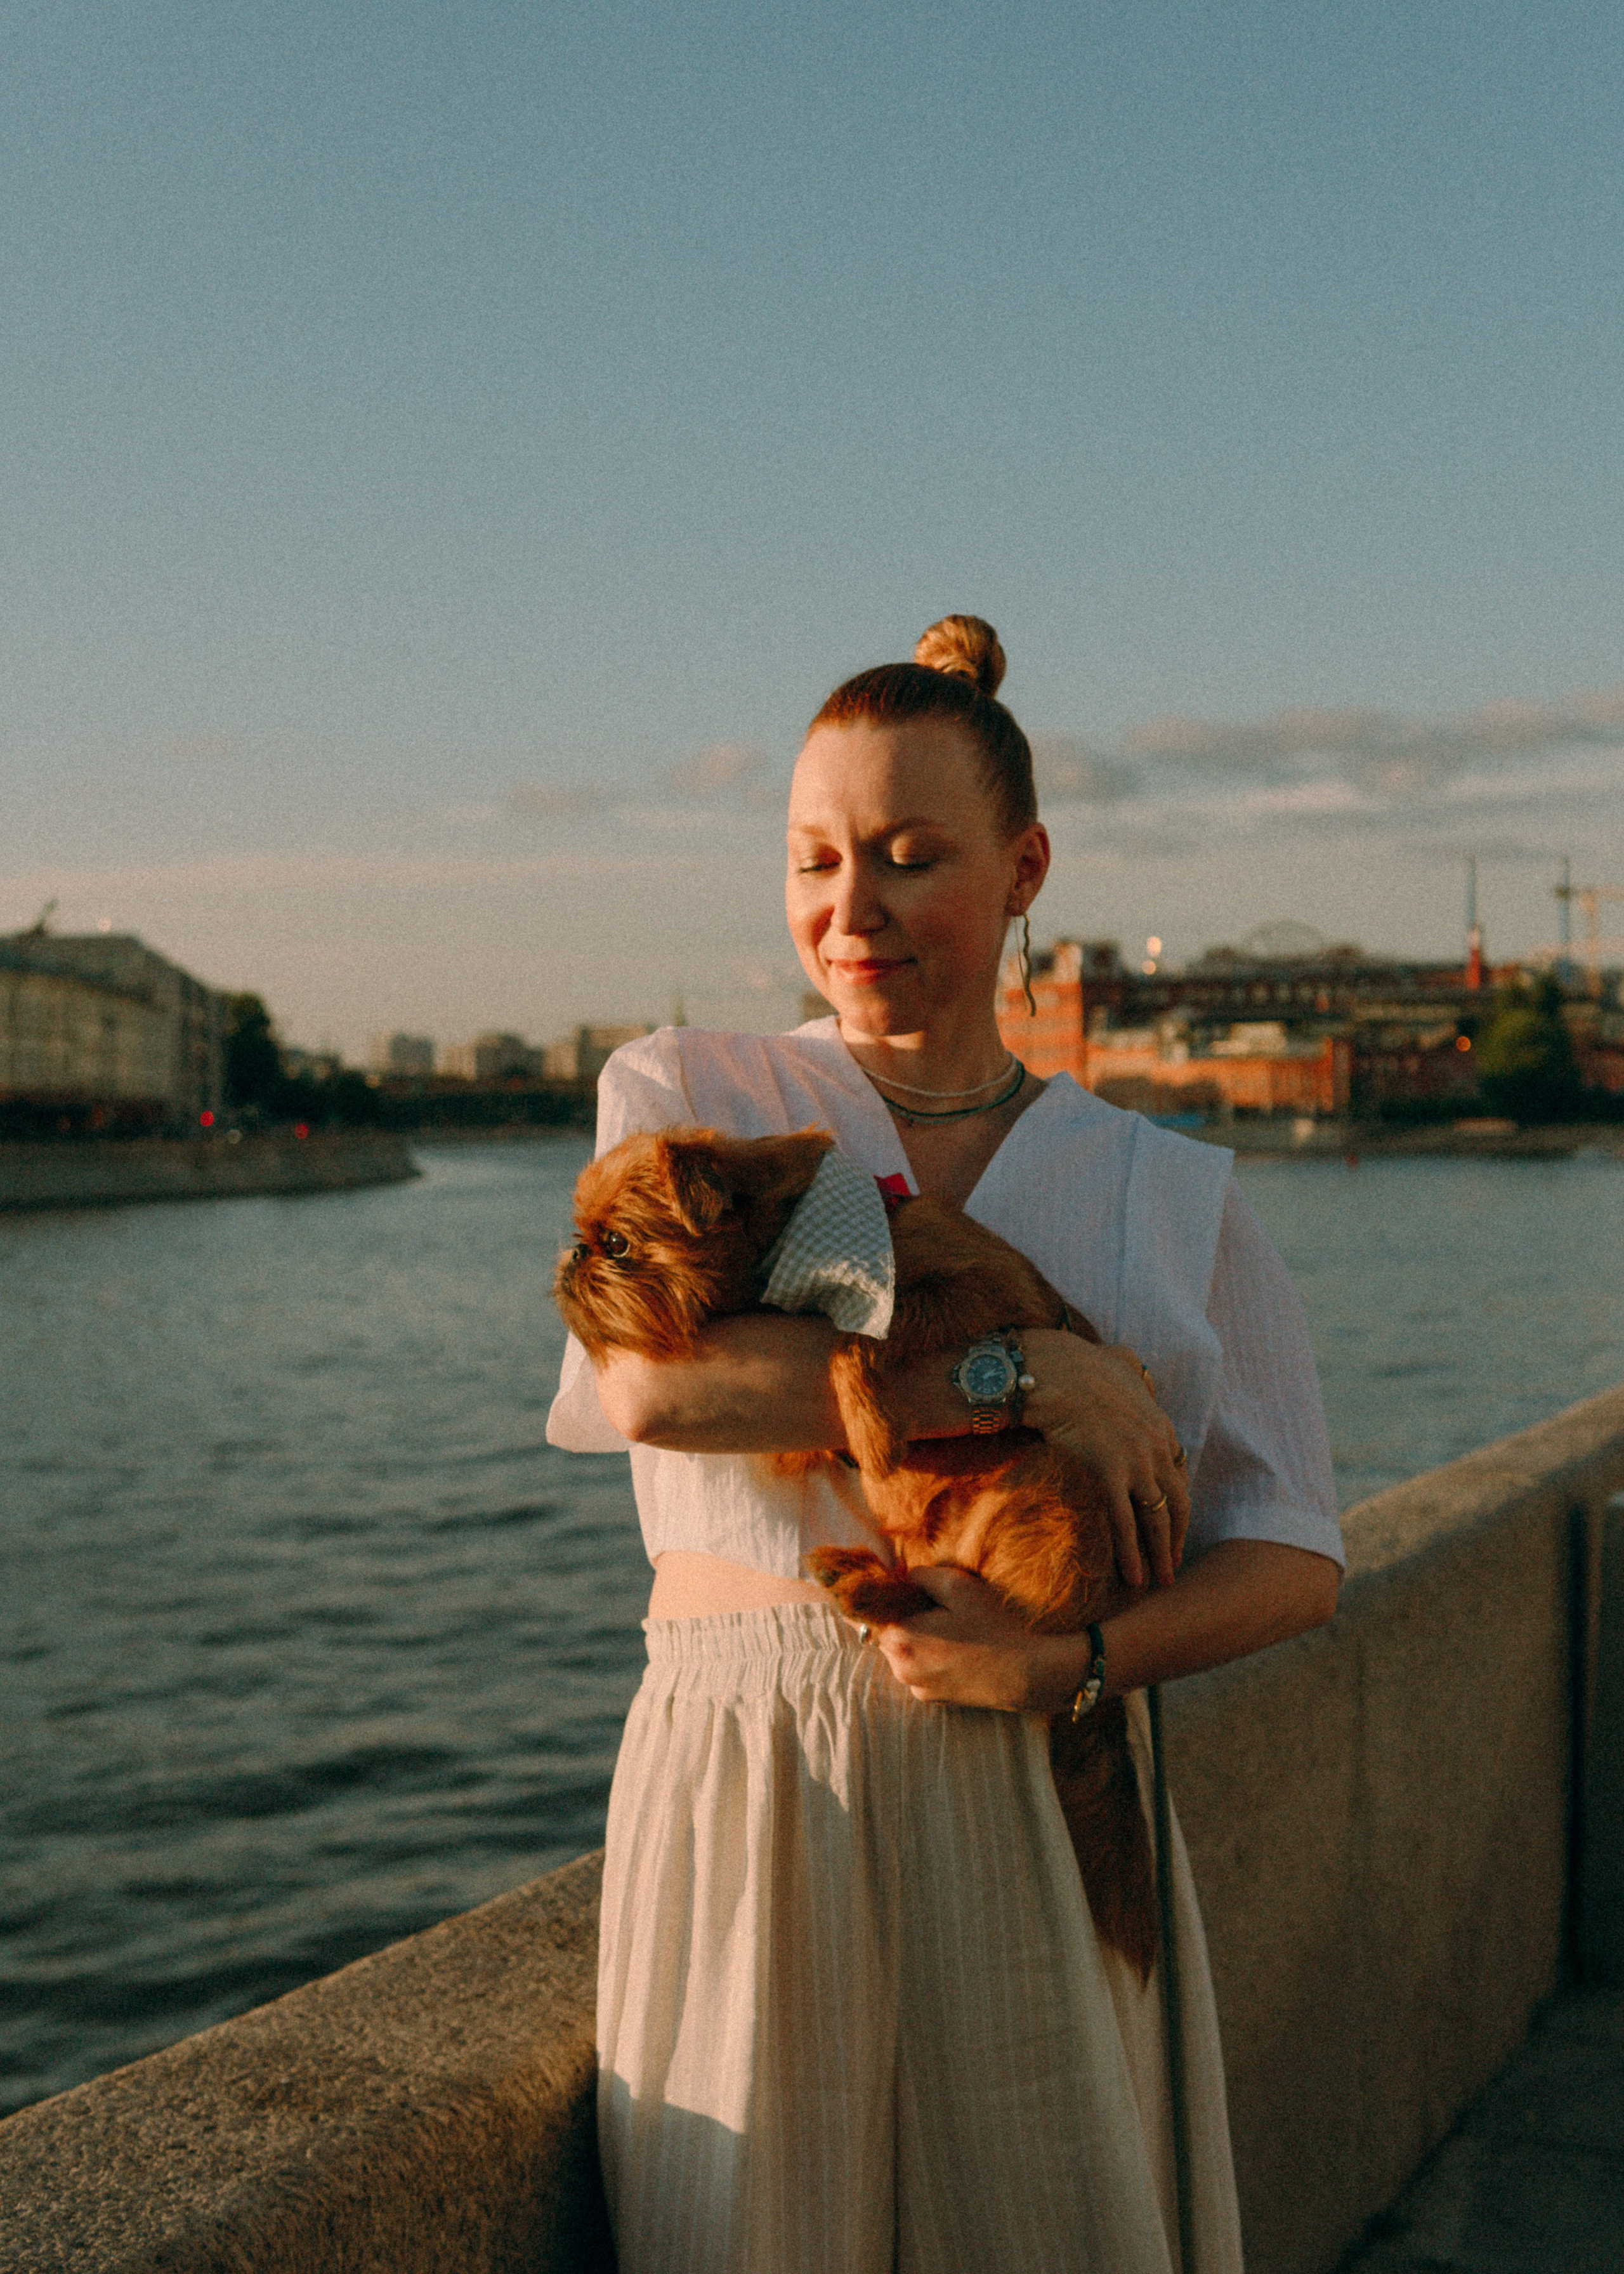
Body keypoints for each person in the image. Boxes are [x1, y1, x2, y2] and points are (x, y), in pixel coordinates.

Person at [547, 614, 1344, 2274]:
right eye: (816, 859)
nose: (853, 911)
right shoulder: (688, 1086)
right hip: (757, 1781)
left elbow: (1294, 1556)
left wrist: (1078, 1667)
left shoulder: (1168, 1186)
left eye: (911, 861)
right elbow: (659, 1394)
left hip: (1045, 1786)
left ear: (1026, 867)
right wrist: (1035, 1380)